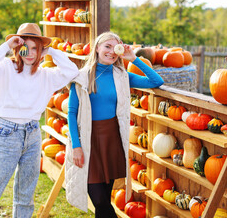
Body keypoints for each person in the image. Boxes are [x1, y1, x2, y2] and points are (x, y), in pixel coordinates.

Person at [0, 23, 79, 218]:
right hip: (7, 133)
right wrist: (5, 46)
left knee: (25, 198)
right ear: (17, 48)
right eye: (25, 47)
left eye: (35, 48)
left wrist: (52, 51)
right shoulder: (5, 68)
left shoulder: (46, 75)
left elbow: (72, 72)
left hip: (33, 134)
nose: (30, 53)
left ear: (41, 50)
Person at [65, 31, 164, 217]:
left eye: (115, 47)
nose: (111, 52)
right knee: (99, 200)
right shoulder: (82, 76)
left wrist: (134, 58)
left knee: (105, 199)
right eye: (107, 47)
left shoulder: (122, 75)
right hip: (88, 140)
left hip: (111, 139)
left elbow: (156, 82)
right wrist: (76, 146)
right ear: (97, 48)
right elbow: (71, 113)